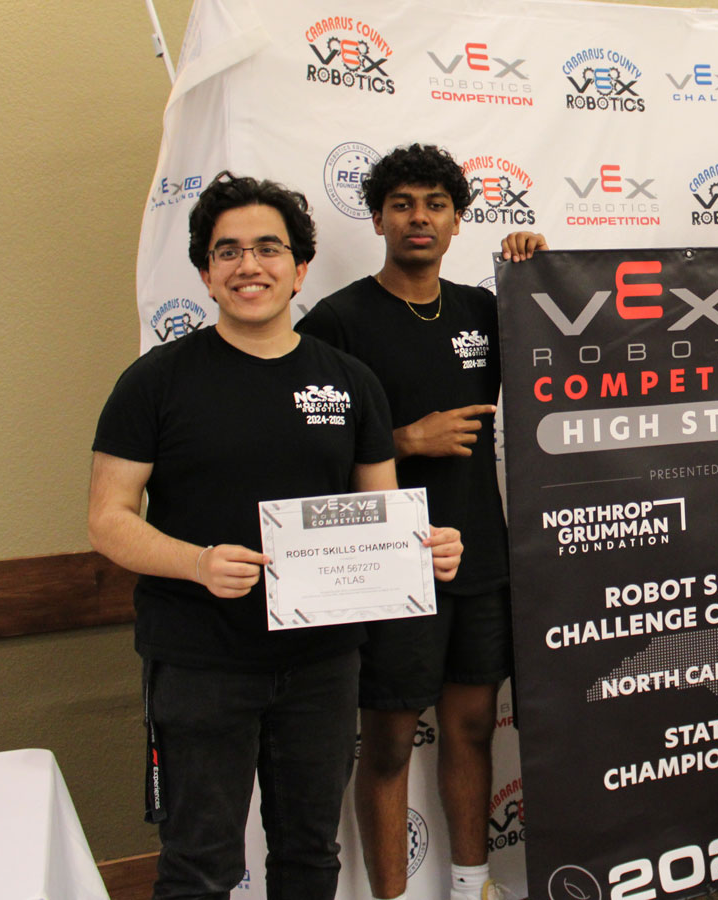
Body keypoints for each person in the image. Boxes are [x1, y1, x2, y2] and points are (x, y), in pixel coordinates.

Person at [88, 172, 463, 899]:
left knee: (308, 855)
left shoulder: (351, 381)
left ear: (300, 267)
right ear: (204, 272)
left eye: (268, 248)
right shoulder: (155, 382)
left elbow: (378, 509)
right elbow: (107, 518)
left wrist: (425, 548)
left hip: (322, 664)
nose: (248, 265)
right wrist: (195, 562)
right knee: (199, 864)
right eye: (227, 252)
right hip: (201, 661)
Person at [295, 144, 513, 900]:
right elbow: (305, 449)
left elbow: (571, 353)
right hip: (387, 564)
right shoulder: (339, 320)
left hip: (479, 553)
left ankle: (471, 883)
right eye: (403, 204)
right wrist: (404, 440)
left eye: (435, 205)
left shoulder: (485, 310)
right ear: (380, 217)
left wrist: (539, 266)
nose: (419, 218)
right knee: (386, 743)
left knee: (473, 728)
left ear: (457, 222)